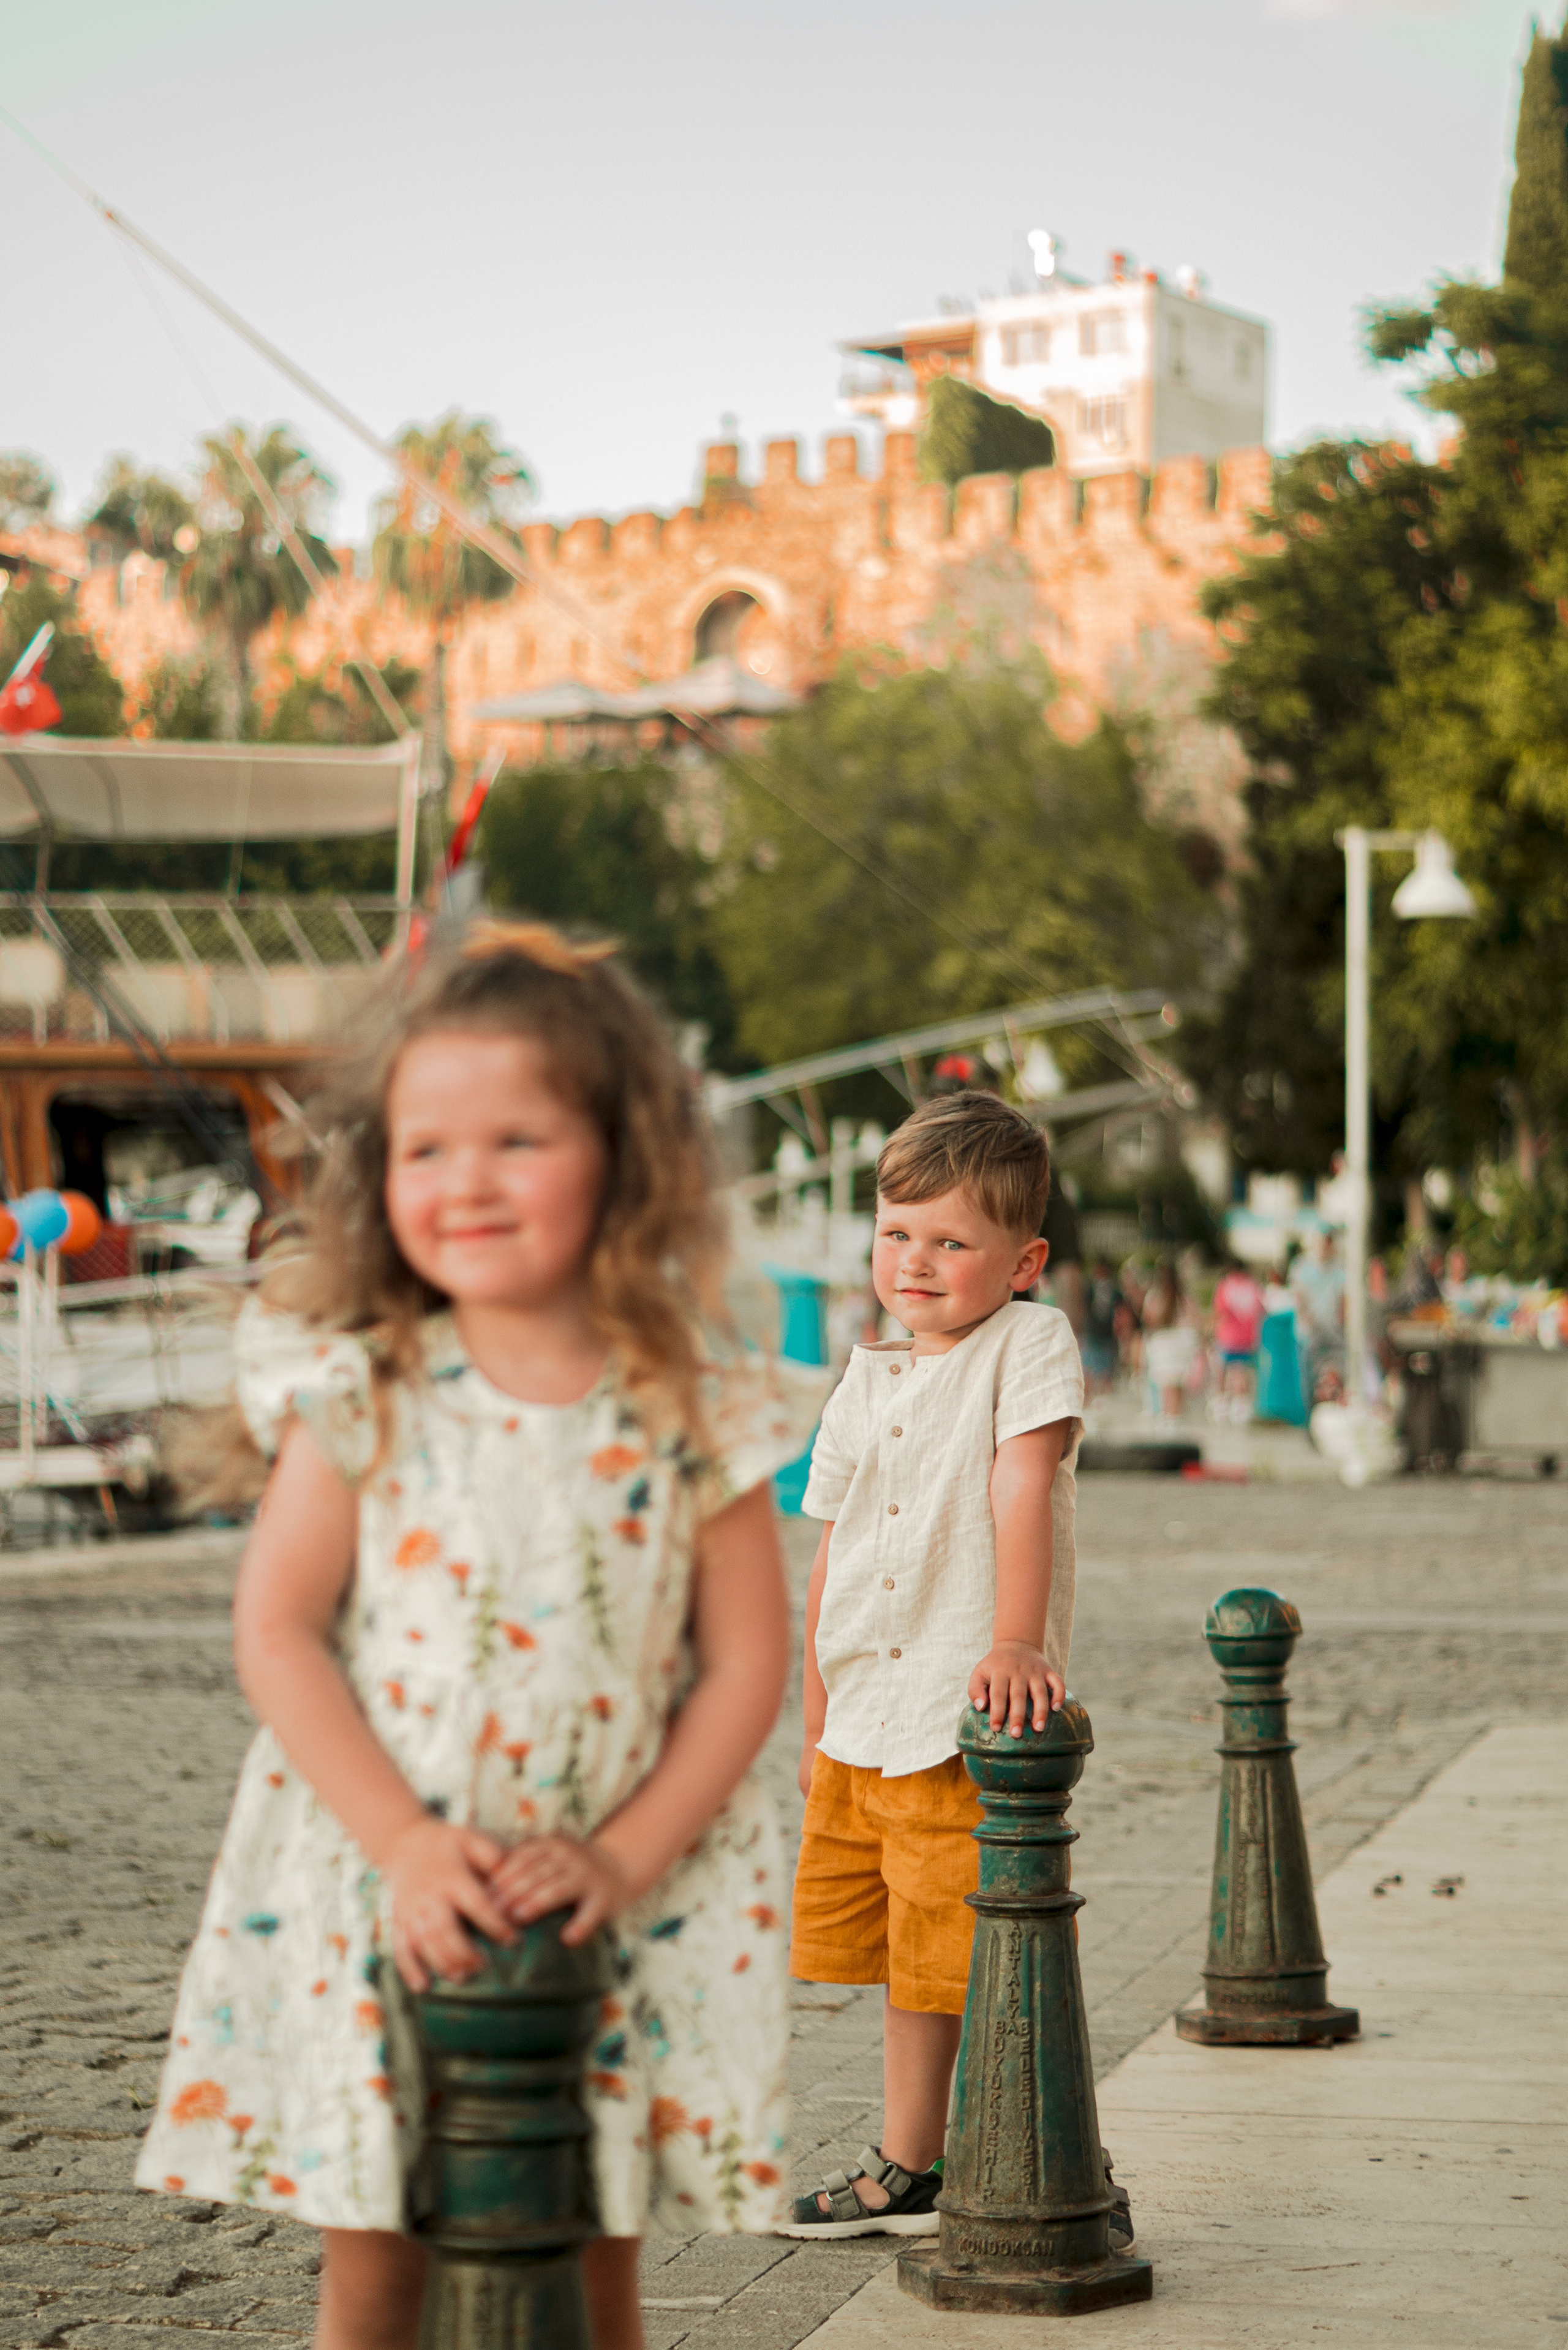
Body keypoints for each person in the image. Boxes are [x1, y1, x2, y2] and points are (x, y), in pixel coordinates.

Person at [135, 921, 815, 2350]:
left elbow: (748, 1660)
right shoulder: (364, 1389)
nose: (465, 1180)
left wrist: (624, 1853)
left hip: (616, 1897)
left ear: (622, 1156)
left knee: (591, 2267)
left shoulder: (690, 1402)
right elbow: (278, 1632)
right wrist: (401, 1839)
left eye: (515, 1138)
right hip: (383, 1890)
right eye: (425, 1149)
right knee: (372, 2274)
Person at [781, 1091, 1133, 2255]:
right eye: (897, 1234)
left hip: (958, 1699)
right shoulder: (866, 1372)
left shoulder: (1025, 1345)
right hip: (865, 1711)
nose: (916, 1261)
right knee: (906, 1954)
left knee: (979, 1942)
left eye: (951, 1241)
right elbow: (830, 1536)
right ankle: (913, 2155)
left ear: (1023, 1260)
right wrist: (814, 1697)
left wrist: (1020, 1637)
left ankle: (1036, 2142)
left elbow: (1019, 1486)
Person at [1139, 1256, 1199, 1425]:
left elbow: (1148, 1319)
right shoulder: (1184, 1296)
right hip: (1183, 1342)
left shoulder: (1155, 1296)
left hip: (1164, 1343)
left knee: (1168, 1387)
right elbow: (1194, 1319)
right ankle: (1177, 1418)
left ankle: (1170, 1422)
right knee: (1178, 1388)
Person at [1210, 1257, 1265, 1423]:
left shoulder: (1226, 1285)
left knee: (1222, 1370)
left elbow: (1220, 1310)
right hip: (1248, 1338)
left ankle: (1222, 1403)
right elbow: (1261, 1308)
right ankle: (1241, 1405)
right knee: (1241, 1371)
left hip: (1227, 1336)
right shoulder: (1253, 1286)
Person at [1081, 1256, 1123, 1398]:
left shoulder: (1114, 1290)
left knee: (1107, 1367)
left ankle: (1105, 1394)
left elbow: (1120, 1310)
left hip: (1108, 1333)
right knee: (1089, 1365)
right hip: (1092, 1331)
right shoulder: (1090, 1288)